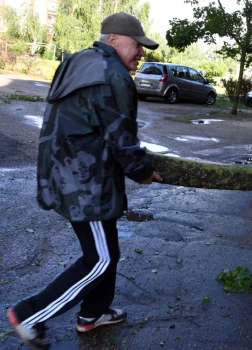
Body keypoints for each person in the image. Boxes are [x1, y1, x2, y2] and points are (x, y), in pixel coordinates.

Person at [6, 12, 162, 350]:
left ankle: (93, 313)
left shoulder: (80, 60)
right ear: (113, 40)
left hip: (68, 172)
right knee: (100, 259)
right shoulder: (114, 75)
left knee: (107, 250)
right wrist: (143, 171)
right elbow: (122, 139)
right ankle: (30, 315)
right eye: (137, 45)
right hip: (86, 183)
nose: (141, 53)